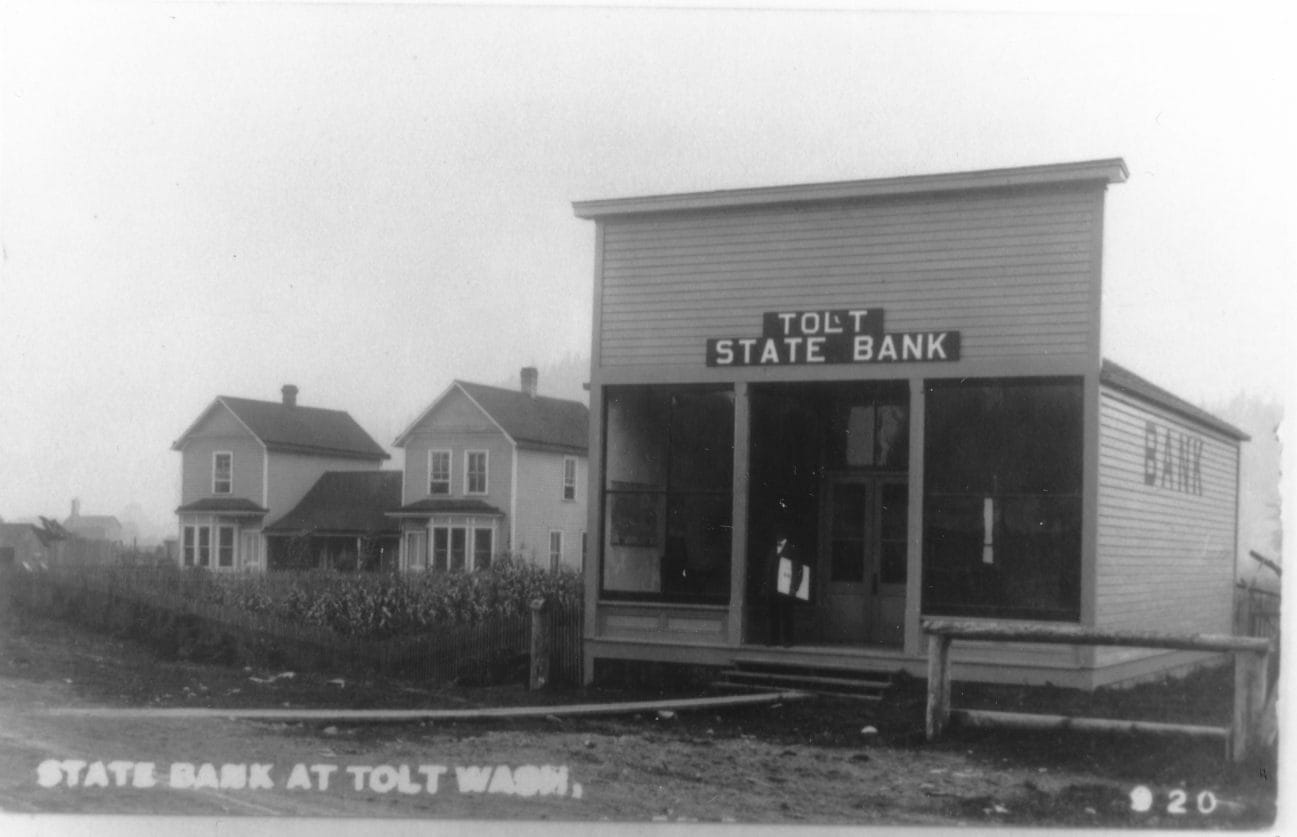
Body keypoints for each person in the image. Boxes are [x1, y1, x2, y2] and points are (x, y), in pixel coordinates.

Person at [765, 529, 803, 647]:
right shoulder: (773, 549)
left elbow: (798, 569)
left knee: (787, 614)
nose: (777, 536)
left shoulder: (791, 550)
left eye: (779, 533)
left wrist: (794, 587)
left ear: (784, 535)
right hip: (773, 588)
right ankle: (773, 639)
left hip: (786, 587)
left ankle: (787, 640)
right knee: (773, 614)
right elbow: (769, 568)